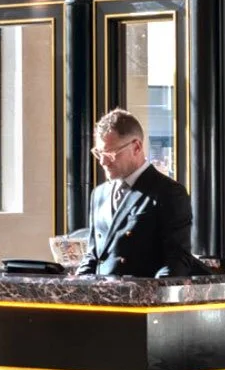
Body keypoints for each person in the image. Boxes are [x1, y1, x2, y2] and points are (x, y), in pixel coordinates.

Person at [77, 108, 194, 278]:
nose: (103, 161)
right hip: (100, 300)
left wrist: (150, 296)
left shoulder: (168, 192)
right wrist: (78, 287)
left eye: (110, 153)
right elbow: (93, 255)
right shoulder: (99, 194)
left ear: (136, 147)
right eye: (99, 153)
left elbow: (177, 261)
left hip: (139, 299)